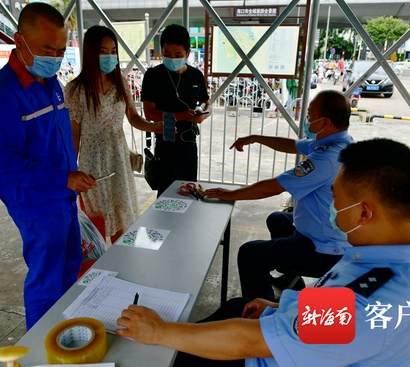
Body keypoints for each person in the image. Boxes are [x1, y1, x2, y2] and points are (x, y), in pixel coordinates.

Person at [117, 138, 410, 366]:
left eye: (336, 200)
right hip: (305, 343)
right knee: (239, 306)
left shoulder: (367, 303)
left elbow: (252, 342)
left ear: (364, 213)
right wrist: (281, 304)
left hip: (268, 357)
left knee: (168, 353)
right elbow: (333, 304)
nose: (333, 209)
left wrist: (160, 331)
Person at [0, 3, 97, 329]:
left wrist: (71, 176)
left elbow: (55, 140)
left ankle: (64, 335)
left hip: (62, 195)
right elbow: (4, 162)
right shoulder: (1, 96)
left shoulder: (50, 82)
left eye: (60, 50)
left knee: (70, 268)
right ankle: (42, 350)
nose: (55, 58)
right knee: (47, 280)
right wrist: (64, 177)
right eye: (47, 49)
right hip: (37, 202)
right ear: (19, 41)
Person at [203, 90, 354, 300]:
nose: (307, 120)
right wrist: (254, 138)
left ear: (325, 122)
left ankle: (262, 313)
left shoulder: (327, 159)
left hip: (324, 248)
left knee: (250, 254)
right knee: (277, 219)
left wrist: (230, 194)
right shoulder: (338, 141)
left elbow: (275, 186)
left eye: (310, 115)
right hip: (325, 229)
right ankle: (290, 278)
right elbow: (293, 145)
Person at [64, 26, 163, 243]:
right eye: (102, 51)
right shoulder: (75, 91)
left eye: (112, 51)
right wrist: (71, 171)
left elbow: (133, 118)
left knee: (122, 221)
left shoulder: (120, 83)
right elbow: (73, 135)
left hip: (119, 161)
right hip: (92, 166)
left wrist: (155, 127)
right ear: (90, 53)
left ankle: (121, 266)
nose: (109, 56)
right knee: (96, 226)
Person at [141, 24, 212, 196]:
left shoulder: (195, 76)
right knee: (166, 197)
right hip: (165, 146)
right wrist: (181, 116)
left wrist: (203, 114)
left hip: (189, 145)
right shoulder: (153, 76)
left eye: (178, 55)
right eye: (167, 54)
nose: (172, 58)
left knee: (188, 192)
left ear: (187, 53)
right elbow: (149, 112)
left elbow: (207, 103)